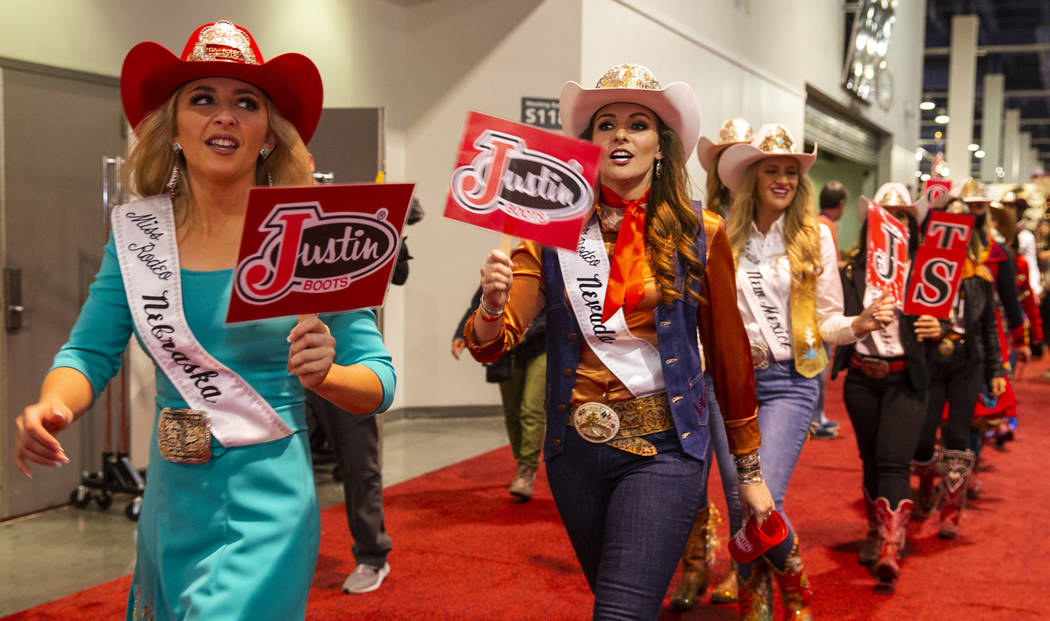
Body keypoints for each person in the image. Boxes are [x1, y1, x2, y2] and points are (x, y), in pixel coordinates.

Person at [11, 21, 396, 620]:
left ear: (269, 135)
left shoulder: (309, 236)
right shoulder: (139, 236)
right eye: (203, 99)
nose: (225, 116)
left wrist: (327, 378)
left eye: (247, 102)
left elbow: (378, 379)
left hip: (267, 500)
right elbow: (88, 352)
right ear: (173, 128)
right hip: (171, 496)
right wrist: (54, 405)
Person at [465, 64, 774, 619]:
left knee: (619, 612)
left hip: (665, 447)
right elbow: (494, 342)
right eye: (606, 124)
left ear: (661, 147)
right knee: (621, 600)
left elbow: (729, 357)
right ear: (588, 146)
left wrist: (749, 474)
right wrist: (490, 304)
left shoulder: (700, 232)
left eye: (638, 124)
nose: (620, 135)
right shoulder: (549, 228)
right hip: (573, 452)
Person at [715, 124, 894, 620]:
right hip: (730, 384)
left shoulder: (814, 236)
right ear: (751, 176)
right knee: (737, 495)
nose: (783, 180)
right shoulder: (719, 229)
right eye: (772, 170)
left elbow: (828, 319)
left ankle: (792, 584)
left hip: (791, 381)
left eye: (791, 172)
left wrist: (858, 324)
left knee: (762, 490)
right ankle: (762, 598)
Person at [830, 183, 940, 592]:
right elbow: (833, 318)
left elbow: (948, 331)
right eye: (887, 214)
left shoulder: (929, 273)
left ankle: (892, 544)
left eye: (903, 215)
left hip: (906, 379)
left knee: (894, 460)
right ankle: (877, 532)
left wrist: (940, 329)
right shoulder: (850, 270)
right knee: (871, 459)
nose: (895, 221)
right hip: (861, 377)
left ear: (912, 223)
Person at [667, 117, 755, 612]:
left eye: (743, 156)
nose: (733, 167)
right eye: (726, 157)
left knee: (741, 479)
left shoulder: (770, 219)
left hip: (743, 366)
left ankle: (748, 571)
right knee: (687, 482)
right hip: (691, 365)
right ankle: (695, 566)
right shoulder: (694, 219)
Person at [912, 194, 1005, 540]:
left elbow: (988, 327)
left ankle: (951, 508)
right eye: (948, 217)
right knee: (923, 435)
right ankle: (923, 484)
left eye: (963, 220)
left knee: (958, 434)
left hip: (969, 361)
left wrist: (996, 370)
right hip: (931, 361)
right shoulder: (923, 268)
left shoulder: (980, 274)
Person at [453, 285, 547, 501]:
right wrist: (461, 334)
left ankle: (526, 471)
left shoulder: (547, 267)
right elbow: (480, 304)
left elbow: (555, 312)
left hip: (541, 348)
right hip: (506, 350)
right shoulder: (504, 268)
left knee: (530, 410)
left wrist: (525, 332)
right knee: (512, 412)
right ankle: (522, 463)